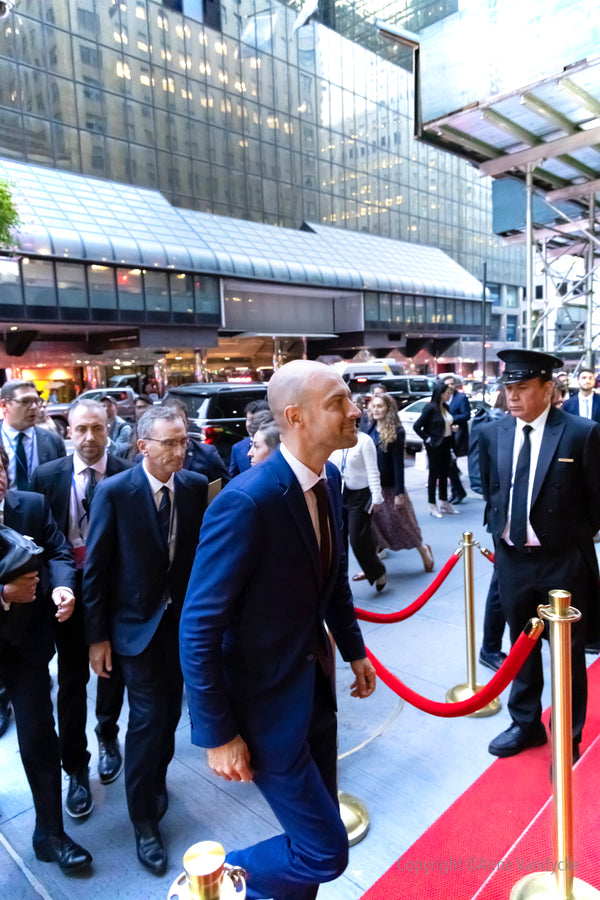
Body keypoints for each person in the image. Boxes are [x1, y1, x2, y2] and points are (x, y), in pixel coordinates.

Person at [179, 359, 376, 900]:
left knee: (306, 850)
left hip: (312, 692)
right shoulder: (247, 501)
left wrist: (355, 651)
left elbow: (331, 578)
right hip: (262, 709)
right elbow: (197, 625)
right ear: (296, 416)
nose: (354, 409)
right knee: (324, 852)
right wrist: (217, 733)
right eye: (337, 401)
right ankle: (213, 876)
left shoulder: (329, 478)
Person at [82, 406, 208, 875]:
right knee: (149, 719)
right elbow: (95, 570)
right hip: (133, 628)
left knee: (169, 715)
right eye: (170, 443)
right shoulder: (115, 492)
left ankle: (155, 783)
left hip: (181, 628)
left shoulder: (194, 488)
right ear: (143, 447)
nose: (181, 451)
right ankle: (142, 821)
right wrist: (96, 638)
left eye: (183, 442)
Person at [479, 348, 600, 759]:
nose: (512, 397)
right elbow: (494, 490)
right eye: (508, 388)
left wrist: (570, 539)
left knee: (566, 653)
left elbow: (596, 502)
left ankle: (568, 735)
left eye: (522, 388)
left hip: (562, 562)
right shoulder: (494, 433)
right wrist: (503, 535)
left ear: (548, 389)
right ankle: (525, 724)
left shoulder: (580, 433)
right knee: (521, 647)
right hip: (513, 561)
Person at [29, 400, 133, 818]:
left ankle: (108, 733)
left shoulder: (128, 471)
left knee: (112, 670)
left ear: (108, 428)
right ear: (67, 432)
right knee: (71, 680)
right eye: (81, 430)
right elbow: (35, 537)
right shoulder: (46, 476)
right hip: (66, 591)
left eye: (97, 429)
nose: (90, 438)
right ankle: (75, 766)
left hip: (115, 592)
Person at [0, 446, 92, 872]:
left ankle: (50, 834)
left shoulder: (31, 505)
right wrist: (2, 595)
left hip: (25, 647)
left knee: (38, 735)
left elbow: (57, 551)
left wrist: (63, 587)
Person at [0, 379, 66, 738]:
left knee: (36, 716)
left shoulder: (51, 440)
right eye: (26, 401)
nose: (35, 406)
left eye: (36, 400)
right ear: (5, 406)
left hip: (37, 544)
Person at [366, 393, 434, 574]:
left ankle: (423, 550)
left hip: (389, 487)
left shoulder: (397, 431)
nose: (375, 409)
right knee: (374, 526)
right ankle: (372, 567)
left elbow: (398, 464)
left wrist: (399, 493)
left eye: (380, 406)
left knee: (403, 524)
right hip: (373, 487)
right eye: (374, 406)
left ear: (388, 408)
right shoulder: (369, 427)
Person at [330, 426, 387, 591]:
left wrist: (377, 496)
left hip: (360, 496)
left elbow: (373, 471)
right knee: (338, 540)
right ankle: (341, 581)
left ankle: (377, 571)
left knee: (358, 539)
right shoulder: (333, 438)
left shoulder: (364, 440)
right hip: (338, 493)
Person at [413, 382, 460, 518]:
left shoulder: (445, 407)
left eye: (449, 393)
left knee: (445, 474)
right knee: (434, 475)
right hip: (434, 445)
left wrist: (452, 428)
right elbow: (417, 426)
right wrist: (427, 439)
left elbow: (443, 424)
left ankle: (444, 502)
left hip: (446, 442)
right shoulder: (430, 408)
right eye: (446, 393)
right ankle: (432, 505)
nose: (448, 396)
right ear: (439, 393)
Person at [163, 398, 230, 485]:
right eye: (169, 422)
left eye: (180, 421)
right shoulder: (150, 455)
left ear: (187, 423)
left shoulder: (206, 454)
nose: (175, 427)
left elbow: (225, 487)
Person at [442, 375, 468, 504]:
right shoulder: (442, 398)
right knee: (450, 466)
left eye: (452, 384)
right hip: (445, 436)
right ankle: (457, 492)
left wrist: (451, 419)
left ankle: (458, 492)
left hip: (457, 436)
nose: (450, 386)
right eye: (448, 384)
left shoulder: (461, 398)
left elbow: (466, 415)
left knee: (450, 465)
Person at [229, 399, 271, 477]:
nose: (250, 424)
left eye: (255, 420)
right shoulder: (238, 448)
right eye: (248, 419)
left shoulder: (280, 445)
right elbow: (232, 478)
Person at [123, 393, 154, 460]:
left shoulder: (157, 426)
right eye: (139, 407)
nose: (142, 410)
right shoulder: (134, 428)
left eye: (145, 407)